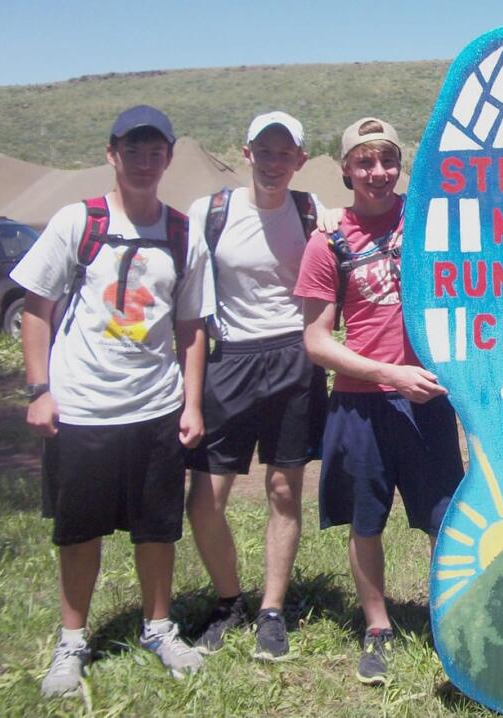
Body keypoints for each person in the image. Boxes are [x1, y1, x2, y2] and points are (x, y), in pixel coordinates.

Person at [13, 105, 212, 697]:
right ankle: (72, 640)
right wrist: (39, 389)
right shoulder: (78, 221)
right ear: (112, 153)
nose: (145, 162)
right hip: (81, 409)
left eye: (156, 152)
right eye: (133, 150)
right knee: (79, 532)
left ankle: (158, 626)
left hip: (155, 406)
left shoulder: (182, 232)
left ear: (169, 158)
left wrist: (193, 402)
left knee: (157, 529)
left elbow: (192, 326)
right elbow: (36, 308)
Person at [295, 117, 465, 686]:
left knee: (444, 519)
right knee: (365, 522)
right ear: (345, 168)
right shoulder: (327, 242)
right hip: (360, 404)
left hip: (426, 402)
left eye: (387, 160)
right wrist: (390, 371)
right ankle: (377, 627)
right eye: (364, 162)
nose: (377, 172)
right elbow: (317, 342)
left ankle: (453, 618)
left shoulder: (427, 222)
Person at [184, 111, 328, 661]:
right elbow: (187, 299)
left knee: (285, 490)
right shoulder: (211, 212)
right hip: (232, 360)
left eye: (284, 153)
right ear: (245, 153)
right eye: (263, 152)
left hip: (295, 358)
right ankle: (227, 601)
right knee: (204, 499)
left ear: (299, 158)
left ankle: (271, 608)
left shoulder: (312, 211)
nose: (273, 163)